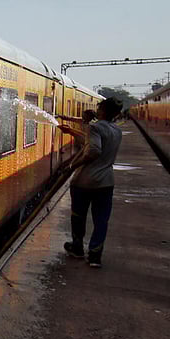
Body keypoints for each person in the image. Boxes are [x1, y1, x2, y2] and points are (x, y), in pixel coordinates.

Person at [58, 97, 124, 268]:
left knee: (78, 216)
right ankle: (95, 255)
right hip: (106, 181)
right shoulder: (117, 131)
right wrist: (72, 132)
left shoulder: (94, 127)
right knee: (101, 219)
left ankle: (77, 247)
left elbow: (93, 150)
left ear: (101, 110)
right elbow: (91, 143)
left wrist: (72, 165)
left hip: (85, 181)